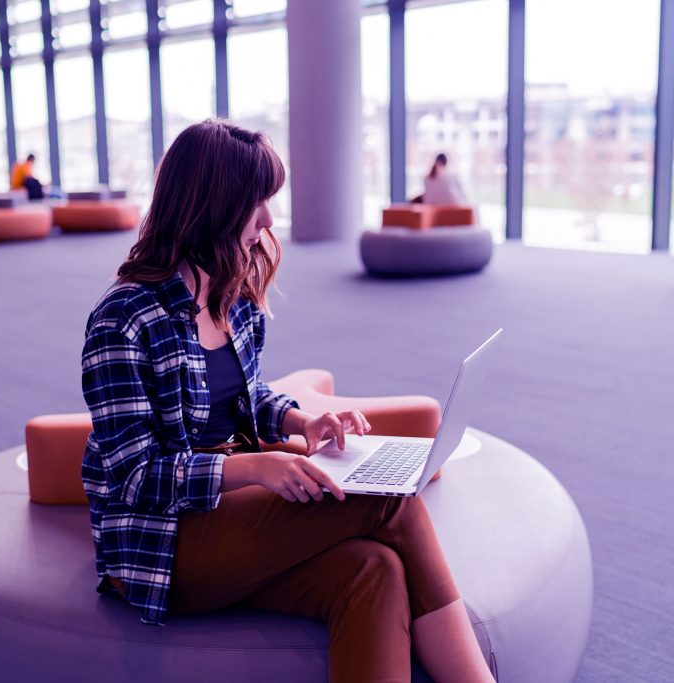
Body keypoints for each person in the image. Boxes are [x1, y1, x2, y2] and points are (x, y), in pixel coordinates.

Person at [80, 120, 496, 683]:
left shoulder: (233, 293)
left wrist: (303, 421)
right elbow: (133, 475)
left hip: (236, 517)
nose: (269, 221)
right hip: (163, 544)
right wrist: (259, 467)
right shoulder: (123, 320)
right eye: (257, 203)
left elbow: (243, 394)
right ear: (212, 205)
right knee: (388, 501)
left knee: (374, 570)